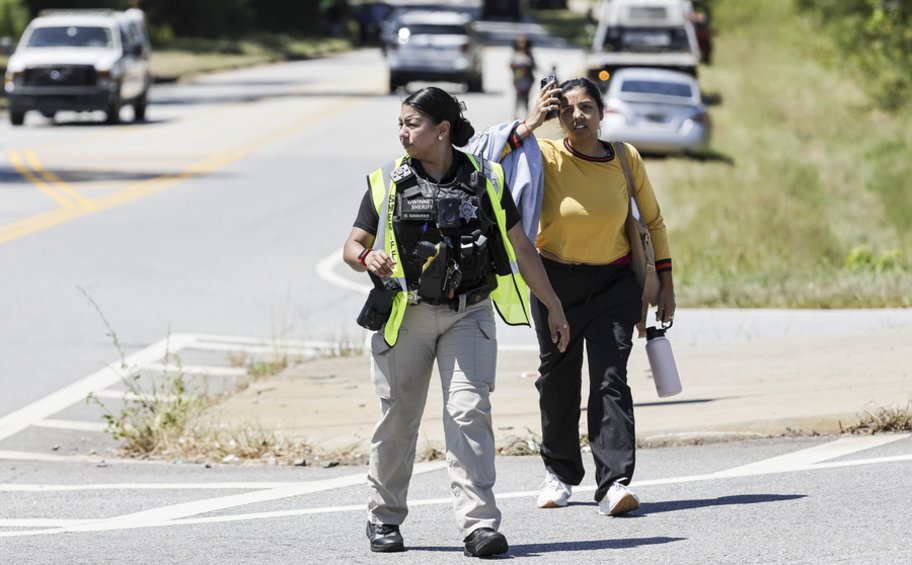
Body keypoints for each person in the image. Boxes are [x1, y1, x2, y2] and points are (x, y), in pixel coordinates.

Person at [343, 86, 569, 557]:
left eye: (413, 123)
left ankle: (479, 526)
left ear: (442, 130)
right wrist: (368, 257)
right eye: (400, 124)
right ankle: (383, 519)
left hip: (469, 314)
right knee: (399, 420)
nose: (403, 132)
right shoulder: (385, 181)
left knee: (469, 412)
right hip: (406, 316)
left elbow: (522, 247)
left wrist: (553, 305)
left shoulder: (485, 178)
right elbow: (351, 246)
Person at [508, 77, 677, 516]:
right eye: (566, 110)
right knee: (559, 378)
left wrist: (666, 282)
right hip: (555, 286)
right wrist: (530, 121)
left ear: (602, 113)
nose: (577, 117)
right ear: (556, 116)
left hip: (614, 285)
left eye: (586, 108)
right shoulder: (543, 153)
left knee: (610, 380)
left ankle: (614, 482)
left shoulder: (625, 157)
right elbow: (487, 160)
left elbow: (653, 222)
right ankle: (560, 475)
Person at [509, 36, 537, 119]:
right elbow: (510, 65)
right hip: (518, 80)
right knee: (518, 98)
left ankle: (527, 116)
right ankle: (515, 116)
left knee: (526, 99)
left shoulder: (529, 54)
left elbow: (534, 66)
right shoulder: (515, 54)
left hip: (527, 80)